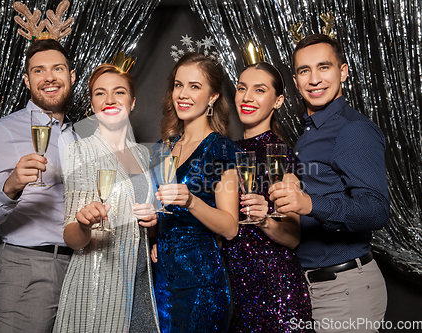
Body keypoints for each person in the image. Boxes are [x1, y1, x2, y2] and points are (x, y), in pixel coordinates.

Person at [270, 33, 389, 332]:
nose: (314, 79)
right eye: (303, 71)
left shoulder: (353, 130)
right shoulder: (308, 135)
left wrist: (309, 203)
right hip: (315, 288)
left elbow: (376, 210)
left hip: (345, 288)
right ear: (296, 82)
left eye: (324, 67)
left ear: (343, 71)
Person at [0, 39, 77, 333]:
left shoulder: (80, 136)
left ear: (72, 76)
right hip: (29, 268)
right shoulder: (2, 132)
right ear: (28, 81)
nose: (50, 77)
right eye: (39, 71)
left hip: (80, 269)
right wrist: (11, 185)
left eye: (58, 68)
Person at [53, 63, 160, 333]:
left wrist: (153, 222)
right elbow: (72, 238)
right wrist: (83, 224)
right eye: (100, 93)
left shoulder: (142, 154)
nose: (110, 100)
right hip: (97, 285)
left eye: (119, 92)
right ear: (92, 103)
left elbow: (143, 224)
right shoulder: (80, 152)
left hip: (139, 282)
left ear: (132, 102)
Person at [150, 52, 240, 332]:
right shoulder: (162, 149)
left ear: (213, 96)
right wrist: (154, 238)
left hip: (201, 285)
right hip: (162, 281)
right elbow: (159, 216)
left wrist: (191, 200)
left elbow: (230, 227)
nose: (183, 94)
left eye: (195, 86)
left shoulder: (221, 149)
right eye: (178, 85)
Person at [221, 62, 311, 332]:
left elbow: (293, 237)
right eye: (241, 88)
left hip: (277, 291)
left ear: (278, 101)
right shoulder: (224, 151)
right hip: (235, 294)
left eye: (259, 90)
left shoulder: (281, 156)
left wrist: (265, 221)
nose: (247, 97)